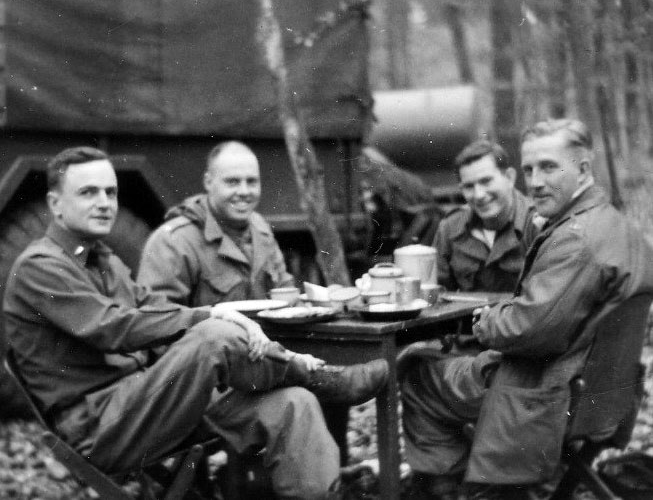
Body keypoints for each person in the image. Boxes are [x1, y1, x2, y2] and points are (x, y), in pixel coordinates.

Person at [2, 147, 389, 500]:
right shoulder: (41, 267)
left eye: (110, 192)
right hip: (104, 427)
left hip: (147, 402)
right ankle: (305, 371)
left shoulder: (102, 259)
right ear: (55, 204)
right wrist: (211, 314)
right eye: (88, 193)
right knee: (211, 333)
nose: (104, 203)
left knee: (294, 405)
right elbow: (114, 327)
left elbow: (147, 304)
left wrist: (219, 321)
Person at [400, 119, 653, 499]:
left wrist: (487, 322)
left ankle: (449, 487)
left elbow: (528, 329)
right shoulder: (615, 225)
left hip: (547, 393)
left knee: (419, 376)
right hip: (601, 392)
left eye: (549, 167)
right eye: (531, 168)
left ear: (583, 170)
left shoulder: (575, 239)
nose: (535, 181)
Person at [138, 141, 294, 307]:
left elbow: (285, 293)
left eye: (252, 182)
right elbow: (156, 317)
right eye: (232, 182)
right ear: (208, 182)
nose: (244, 192)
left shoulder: (260, 230)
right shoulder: (174, 241)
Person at [434, 140, 541, 292]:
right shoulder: (450, 228)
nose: (479, 195)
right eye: (469, 186)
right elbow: (438, 294)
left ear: (510, 177)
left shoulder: (536, 223)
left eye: (486, 181)